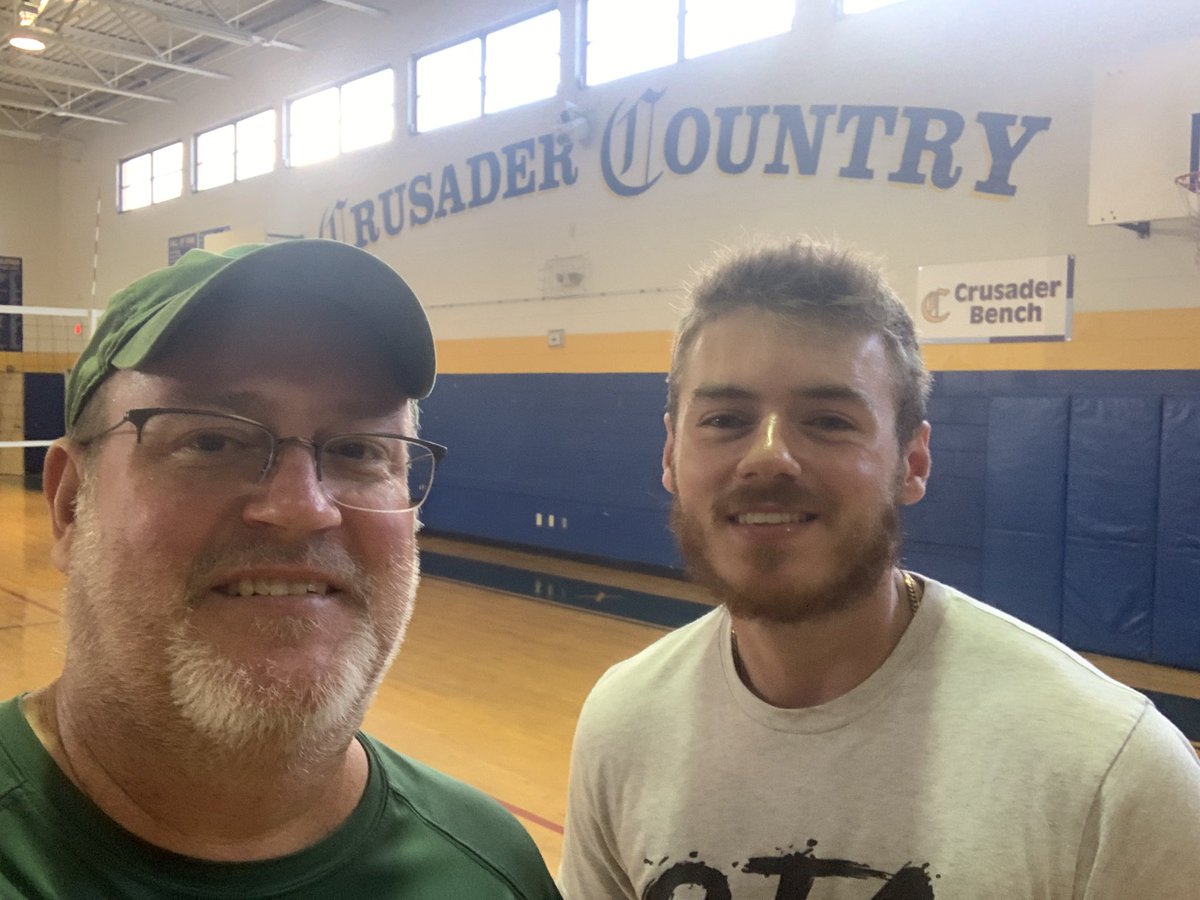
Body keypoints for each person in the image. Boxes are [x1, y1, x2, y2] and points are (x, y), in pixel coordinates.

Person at [558, 238, 1200, 899]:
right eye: (725, 419)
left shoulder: (1112, 774)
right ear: (670, 454)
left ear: (913, 462)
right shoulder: (622, 722)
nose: (769, 457)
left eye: (829, 420)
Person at [0, 240, 561, 899]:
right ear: (70, 504)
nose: (302, 508)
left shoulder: (491, 873)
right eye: (210, 441)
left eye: (358, 449)